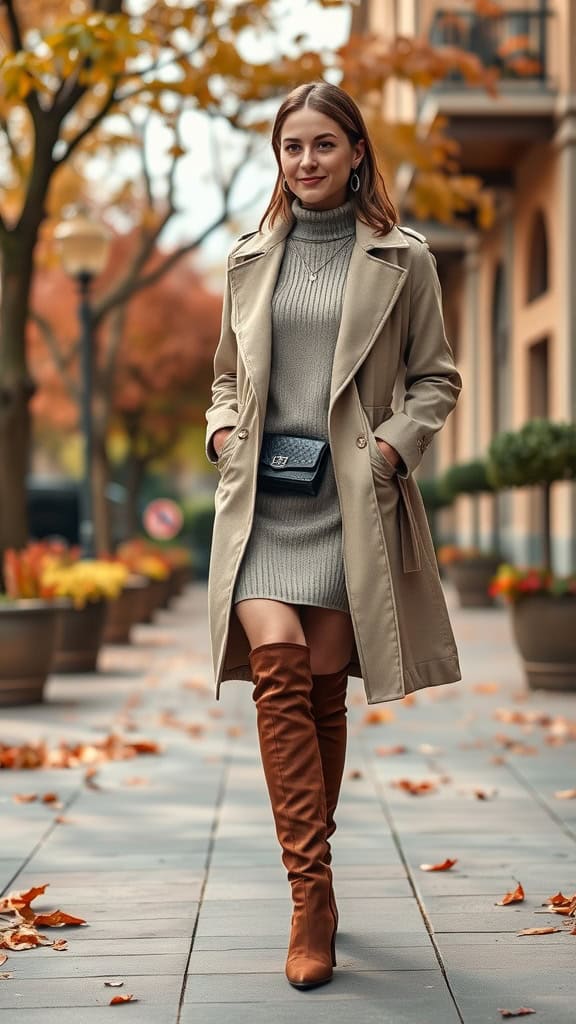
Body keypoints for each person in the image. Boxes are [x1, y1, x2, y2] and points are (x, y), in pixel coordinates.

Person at [205, 81, 462, 991]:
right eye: (290, 147)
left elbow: (437, 378)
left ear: (356, 151)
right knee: (275, 663)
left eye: (322, 144)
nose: (304, 161)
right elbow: (227, 378)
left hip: (349, 499)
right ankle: (309, 896)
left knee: (320, 692)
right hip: (264, 506)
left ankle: (315, 880)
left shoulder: (405, 260)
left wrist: (392, 449)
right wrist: (224, 431)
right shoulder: (247, 259)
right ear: (276, 159)